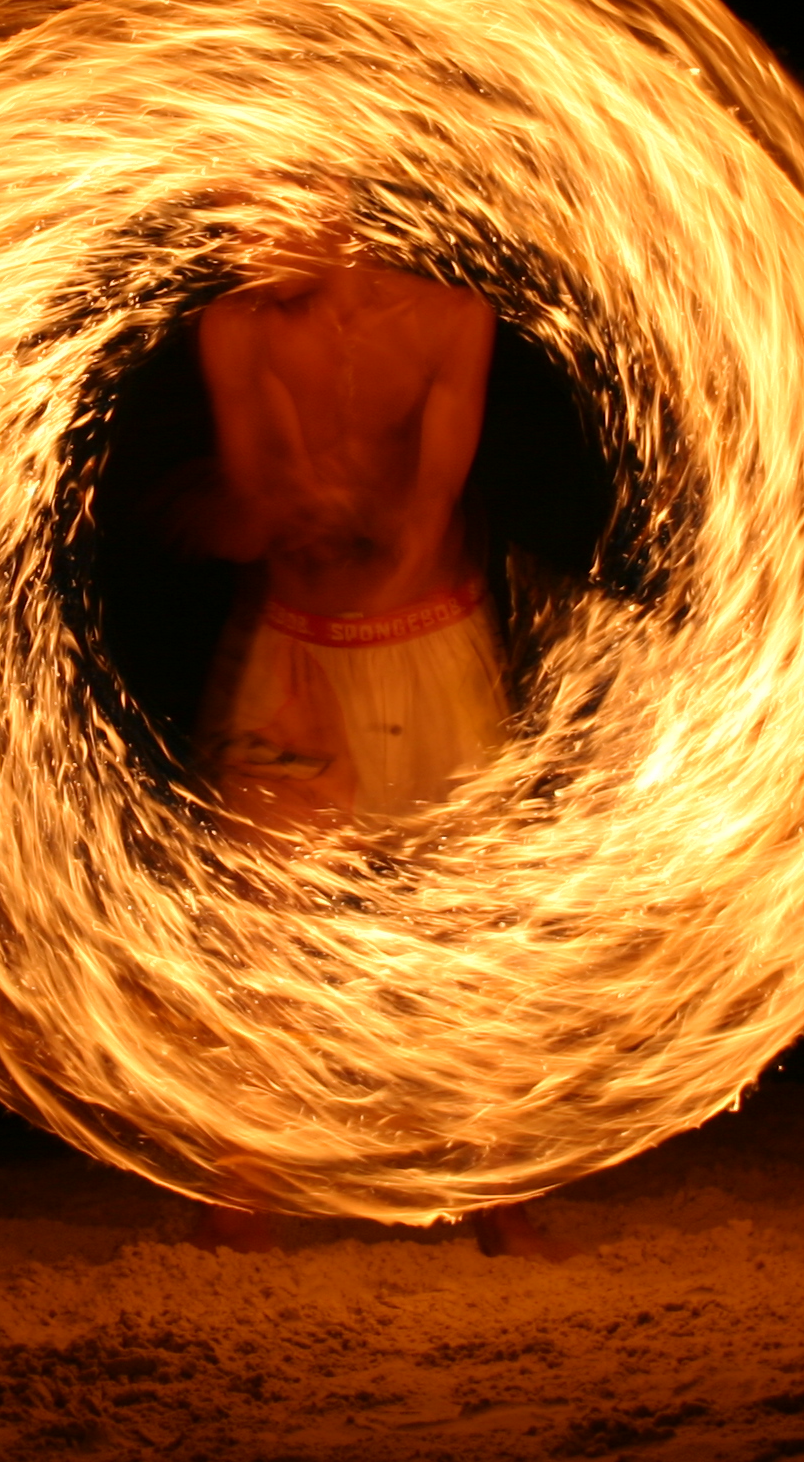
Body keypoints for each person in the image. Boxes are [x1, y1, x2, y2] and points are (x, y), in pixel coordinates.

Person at [180, 205, 575, 1259]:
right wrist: (269, 514)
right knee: (265, 931)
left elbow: (432, 505)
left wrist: (364, 590)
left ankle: (501, 1198)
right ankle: (241, 1202)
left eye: (262, 207)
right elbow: (257, 491)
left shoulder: (454, 321)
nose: (236, 238)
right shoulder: (236, 328)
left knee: (467, 933)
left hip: (425, 646)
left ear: (338, 205)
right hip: (293, 648)